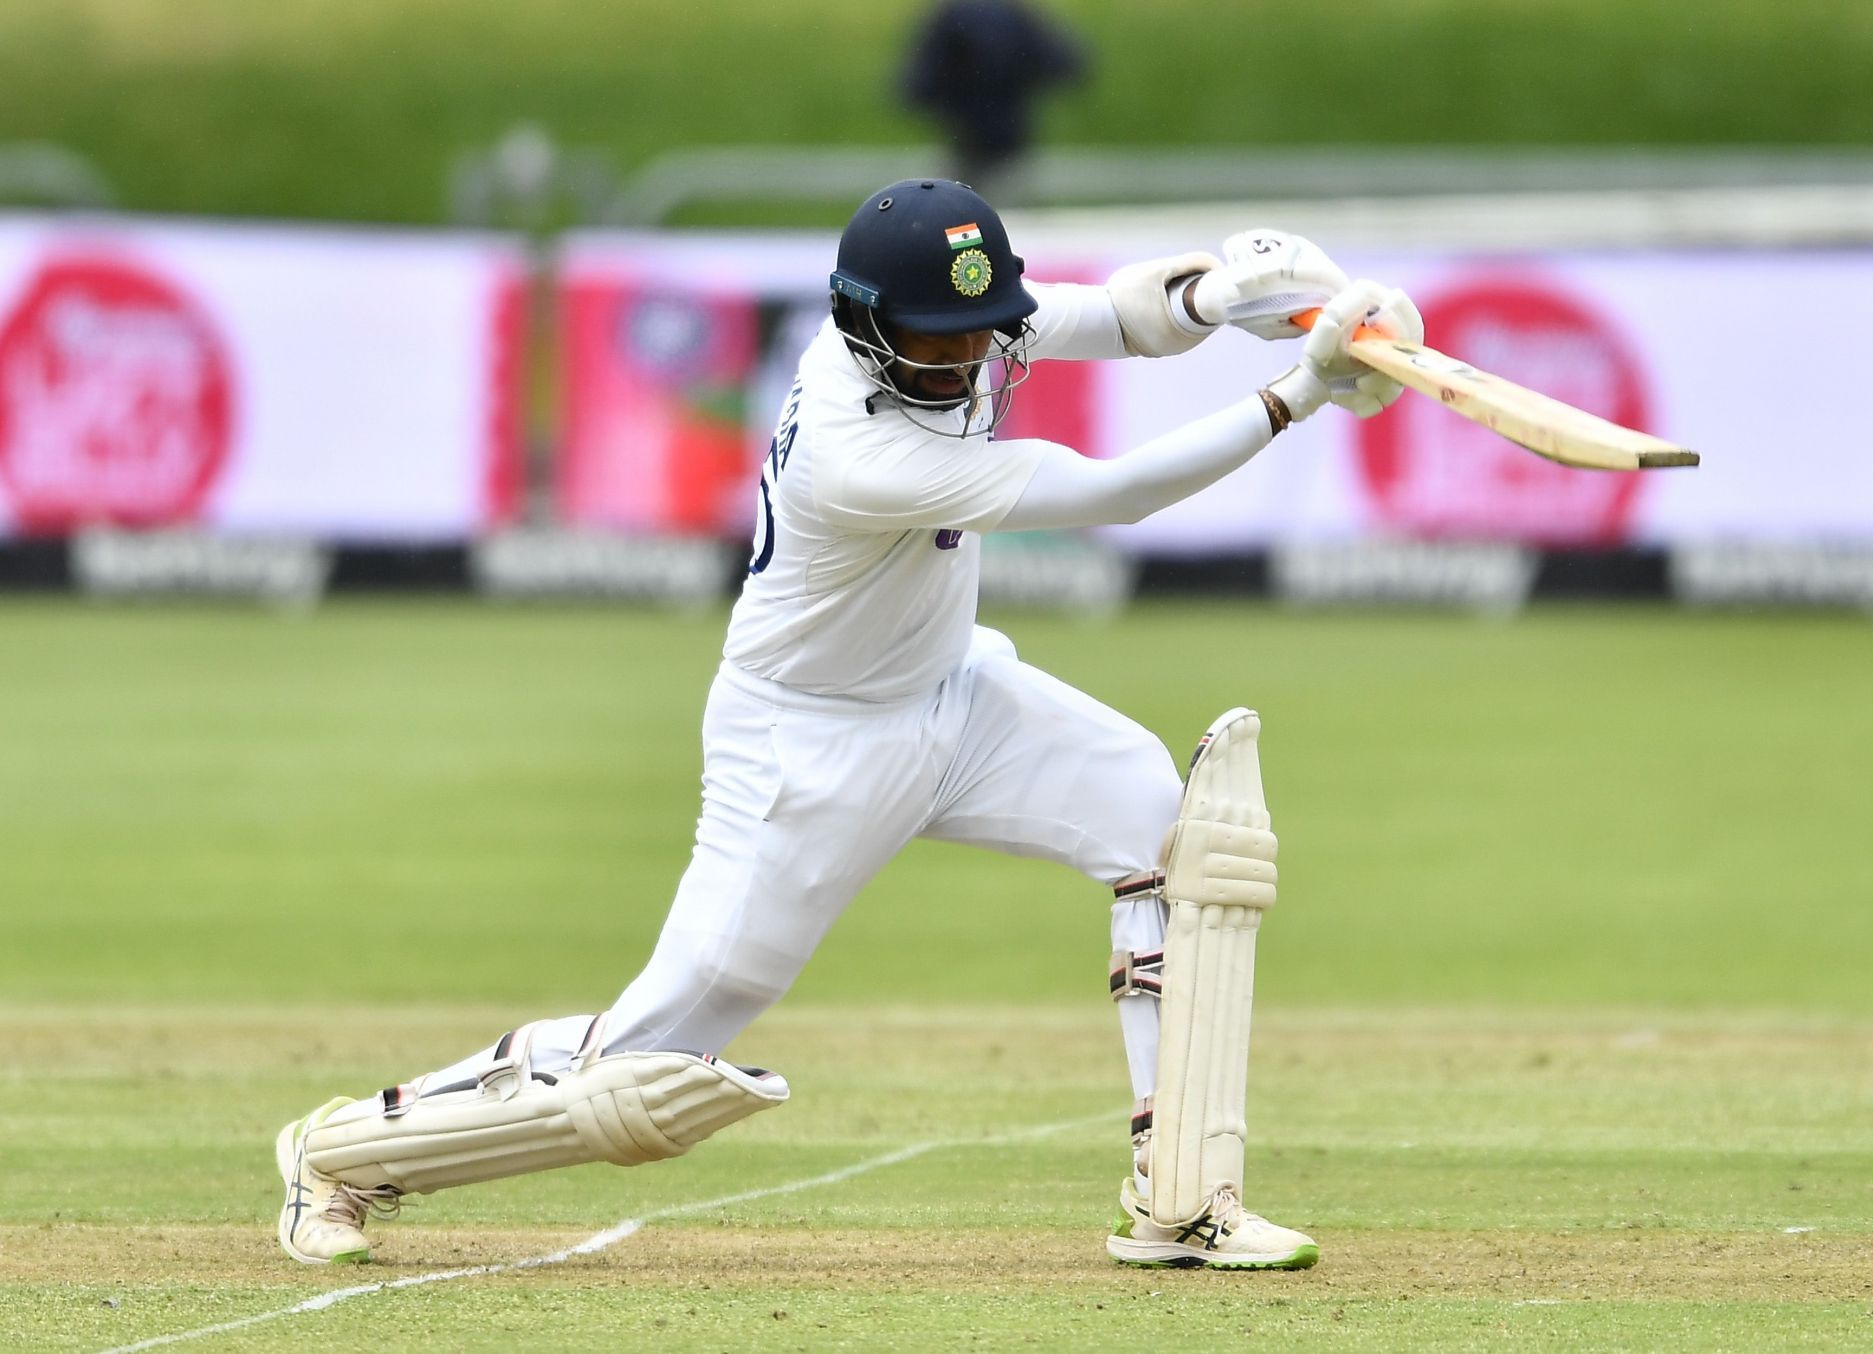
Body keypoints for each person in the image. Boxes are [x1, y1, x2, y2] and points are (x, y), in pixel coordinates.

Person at [275, 179, 1422, 1271]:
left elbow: (1124, 316)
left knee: (1169, 833)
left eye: (980, 332)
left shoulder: (961, 321)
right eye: (937, 340)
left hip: (955, 692)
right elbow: (1109, 495)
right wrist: (1300, 391)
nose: (966, 358)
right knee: (645, 1072)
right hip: (806, 747)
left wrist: (1235, 297)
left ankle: (1179, 1199)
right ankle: (340, 1157)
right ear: (866, 328)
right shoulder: (857, 447)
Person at [900, 0, 1085, 196]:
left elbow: (916, 87)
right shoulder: (1017, 17)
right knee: (1011, 211)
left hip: (965, 141)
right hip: (1010, 142)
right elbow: (1065, 66)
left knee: (955, 208)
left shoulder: (951, 18)